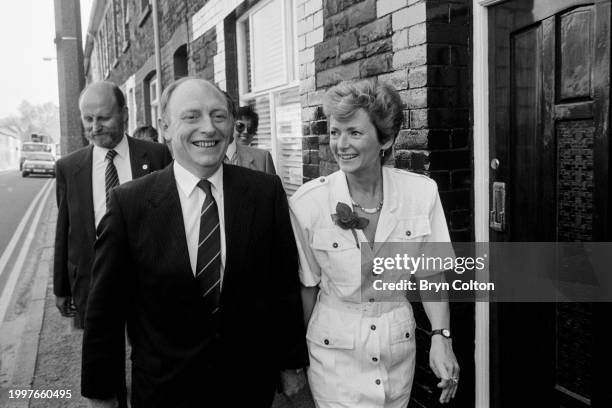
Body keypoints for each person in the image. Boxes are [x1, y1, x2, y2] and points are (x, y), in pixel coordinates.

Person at [81, 77, 308, 408]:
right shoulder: (129, 204)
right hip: (163, 392)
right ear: (167, 127)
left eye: (219, 116)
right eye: (191, 117)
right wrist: (101, 393)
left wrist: (290, 364)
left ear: (231, 125)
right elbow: (105, 310)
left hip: (247, 388)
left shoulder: (265, 192)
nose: (209, 128)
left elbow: (283, 286)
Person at [290, 80, 460, 407]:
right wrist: (296, 357)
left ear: (386, 139)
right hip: (333, 351)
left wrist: (441, 336)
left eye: (354, 132)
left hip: (398, 347)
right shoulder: (308, 203)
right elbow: (307, 286)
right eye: (334, 132)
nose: (341, 144)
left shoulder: (421, 193)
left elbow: (431, 275)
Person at [53, 81, 172, 408]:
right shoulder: (69, 167)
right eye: (87, 120)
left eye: (103, 118)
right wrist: (61, 286)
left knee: (151, 352)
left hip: (148, 277)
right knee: (103, 359)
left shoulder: (156, 154)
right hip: (94, 278)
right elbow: (65, 228)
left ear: (124, 113)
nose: (94, 127)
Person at [225, 105, 276, 174]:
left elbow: (272, 184)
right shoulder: (216, 155)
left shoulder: (263, 158)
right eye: (240, 126)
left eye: (251, 128)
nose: (245, 131)